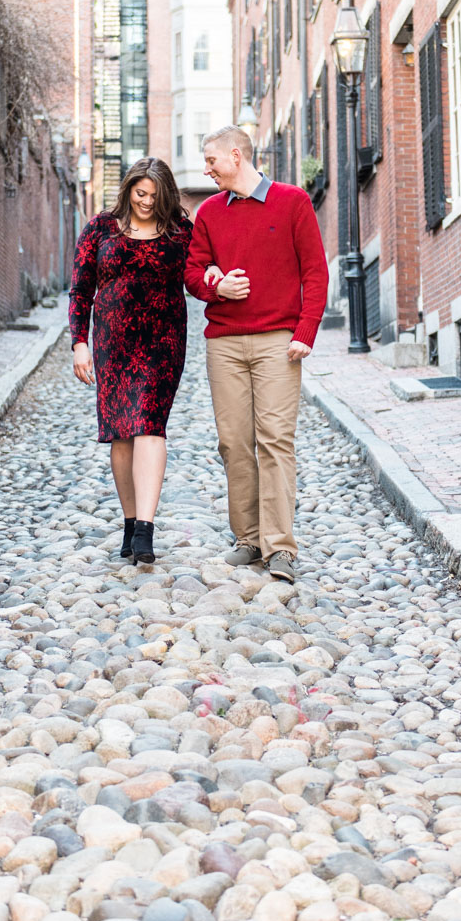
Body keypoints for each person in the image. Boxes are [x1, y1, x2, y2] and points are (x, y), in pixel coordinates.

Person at [184, 126, 330, 585]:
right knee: (233, 442)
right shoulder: (208, 212)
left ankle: (280, 546)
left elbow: (316, 272)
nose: (206, 169)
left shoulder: (292, 202)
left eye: (210, 160)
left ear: (235, 154)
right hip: (224, 342)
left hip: (278, 341)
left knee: (275, 439)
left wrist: (305, 330)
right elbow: (191, 273)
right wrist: (216, 286)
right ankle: (248, 539)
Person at [69, 158, 195, 565]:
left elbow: (202, 274)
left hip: (163, 341)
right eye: (141, 194)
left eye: (155, 197)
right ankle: (128, 523)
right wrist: (79, 343)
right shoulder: (100, 228)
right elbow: (80, 290)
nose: (146, 202)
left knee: (150, 425)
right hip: (112, 342)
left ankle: (145, 529)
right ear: (128, 190)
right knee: (121, 433)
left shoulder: (180, 232)